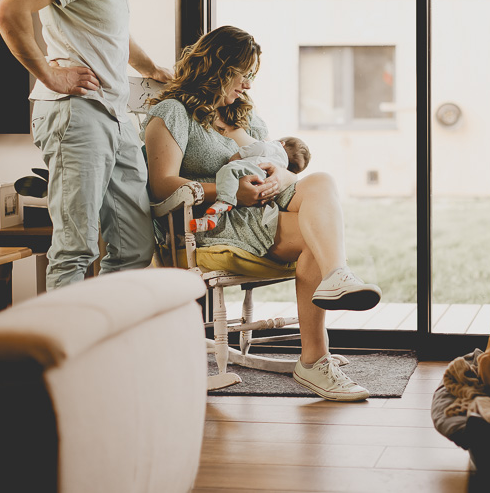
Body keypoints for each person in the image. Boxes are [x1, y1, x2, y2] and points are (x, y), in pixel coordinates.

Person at [142, 25, 382, 401]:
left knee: (320, 180)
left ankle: (336, 278)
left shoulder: (247, 119)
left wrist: (282, 175)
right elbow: (161, 185)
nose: (249, 86)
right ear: (219, 67)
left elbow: (273, 159)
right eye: (245, 75)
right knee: (313, 241)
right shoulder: (173, 113)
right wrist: (227, 191)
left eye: (252, 76)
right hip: (213, 221)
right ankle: (315, 360)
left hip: (263, 211)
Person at [0, 0, 175, 290]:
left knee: (134, 247)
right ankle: (66, 352)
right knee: (75, 249)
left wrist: (151, 69)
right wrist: (49, 74)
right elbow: (6, 9)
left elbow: (112, 31)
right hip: (76, 116)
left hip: (115, 115)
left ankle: (100, 335)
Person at [188, 134, 311, 233]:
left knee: (227, 170)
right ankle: (212, 217)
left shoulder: (276, 147)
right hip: (261, 179)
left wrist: (240, 154)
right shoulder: (282, 165)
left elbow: (260, 147)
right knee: (232, 188)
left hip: (251, 168)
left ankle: (223, 203)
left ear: (282, 143)